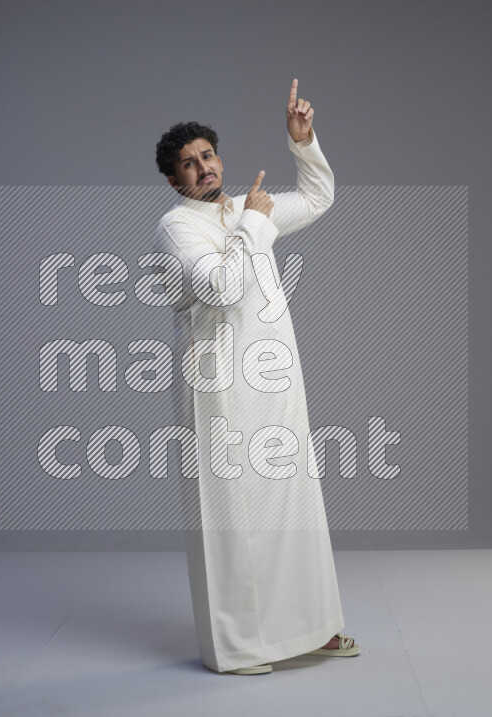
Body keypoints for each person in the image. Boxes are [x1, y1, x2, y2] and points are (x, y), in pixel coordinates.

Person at [153, 79, 360, 674]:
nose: (203, 168)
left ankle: (312, 629)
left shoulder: (249, 208)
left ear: (220, 157)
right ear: (174, 180)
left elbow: (320, 197)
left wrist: (303, 141)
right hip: (220, 388)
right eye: (188, 164)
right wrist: (256, 225)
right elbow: (220, 286)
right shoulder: (176, 228)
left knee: (294, 504)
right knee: (234, 515)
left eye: (208, 156)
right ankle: (241, 647)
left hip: (274, 381)